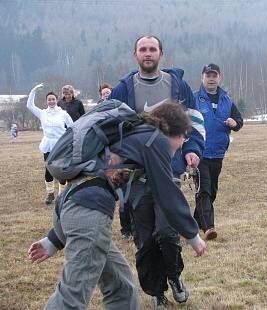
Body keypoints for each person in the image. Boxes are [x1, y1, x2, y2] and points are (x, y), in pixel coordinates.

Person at [27, 102, 206, 310]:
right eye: (184, 137)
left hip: (74, 208)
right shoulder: (155, 140)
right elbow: (167, 194)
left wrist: (53, 239)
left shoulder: (134, 137)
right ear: (172, 130)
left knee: (122, 287)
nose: (183, 143)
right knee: (71, 299)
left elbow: (83, 185)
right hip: (89, 217)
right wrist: (193, 236)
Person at [110, 35, 205, 307]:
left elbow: (195, 121)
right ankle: (156, 292)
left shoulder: (177, 85)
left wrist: (193, 149)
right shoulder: (123, 89)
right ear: (135, 54)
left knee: (167, 232)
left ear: (161, 54)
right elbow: (111, 127)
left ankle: (174, 276)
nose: (148, 53)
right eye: (143, 49)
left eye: (153, 49)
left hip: (168, 169)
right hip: (136, 177)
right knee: (145, 240)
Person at [193, 63, 243, 240]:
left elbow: (239, 121)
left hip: (218, 153)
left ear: (219, 77)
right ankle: (209, 227)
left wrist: (234, 123)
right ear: (202, 77)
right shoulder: (194, 99)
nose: (211, 78)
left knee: (212, 190)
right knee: (204, 190)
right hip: (199, 153)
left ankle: (195, 222)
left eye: (214, 75)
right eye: (208, 75)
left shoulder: (226, 100)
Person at [26, 83, 73, 204]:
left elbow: (72, 127)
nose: (51, 101)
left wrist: (70, 140)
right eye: (49, 99)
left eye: (53, 99)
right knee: (48, 170)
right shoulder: (42, 113)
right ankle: (50, 193)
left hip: (60, 145)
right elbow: (30, 105)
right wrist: (33, 91)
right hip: (47, 144)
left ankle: (62, 195)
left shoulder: (63, 113)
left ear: (56, 100)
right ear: (46, 101)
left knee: (61, 170)